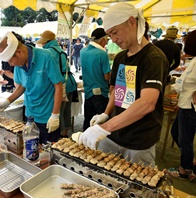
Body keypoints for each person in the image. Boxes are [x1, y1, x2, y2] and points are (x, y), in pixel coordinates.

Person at [78, 3, 169, 166]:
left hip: (139, 140)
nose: (113, 39)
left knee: (137, 187)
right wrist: (106, 113)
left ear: (132, 22)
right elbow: (117, 90)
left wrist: (104, 127)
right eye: (109, 35)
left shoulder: (153, 58)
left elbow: (147, 103)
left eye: (115, 32)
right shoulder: (121, 57)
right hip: (115, 134)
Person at [0, 31, 64, 144]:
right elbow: (22, 86)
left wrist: (55, 115)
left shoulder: (46, 56)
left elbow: (58, 86)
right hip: (30, 115)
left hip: (47, 116)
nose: (11, 64)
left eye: (11, 60)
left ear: (19, 52)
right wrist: (7, 101)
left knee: (48, 152)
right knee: (32, 148)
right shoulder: (19, 64)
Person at [165, 30, 196, 182]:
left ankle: (185, 170)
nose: (184, 42)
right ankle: (189, 161)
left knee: (185, 139)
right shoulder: (194, 60)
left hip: (190, 107)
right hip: (184, 103)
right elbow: (183, 81)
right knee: (176, 132)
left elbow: (186, 83)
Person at [35, 30, 77, 137]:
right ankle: (66, 132)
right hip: (70, 83)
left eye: (43, 41)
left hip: (61, 84)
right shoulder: (59, 49)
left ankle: (60, 136)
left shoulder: (49, 52)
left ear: (47, 41)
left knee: (58, 111)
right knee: (66, 111)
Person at [80, 28, 111, 131]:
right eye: (107, 39)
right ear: (102, 40)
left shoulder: (83, 51)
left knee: (88, 119)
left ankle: (84, 143)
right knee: (100, 122)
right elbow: (106, 76)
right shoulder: (102, 54)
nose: (107, 41)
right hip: (101, 93)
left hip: (88, 91)